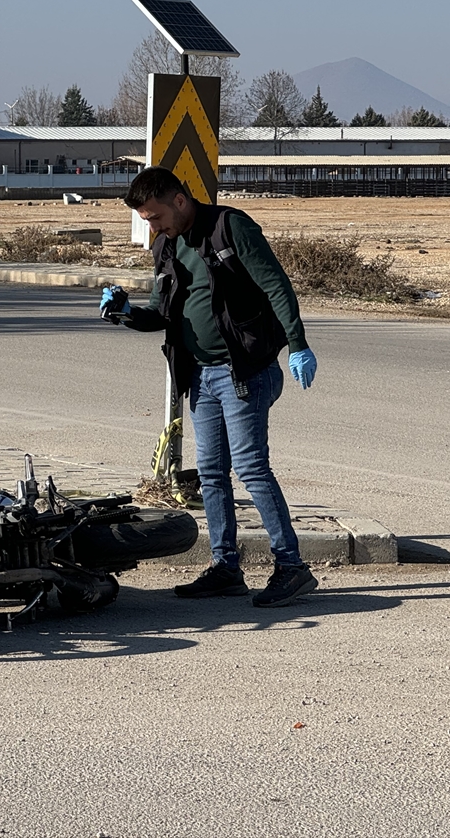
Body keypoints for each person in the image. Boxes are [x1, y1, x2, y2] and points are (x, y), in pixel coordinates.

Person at [101, 166, 319, 608]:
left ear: (179, 200)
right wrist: (125, 312)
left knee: (252, 469)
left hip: (244, 373)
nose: (152, 226)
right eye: (146, 220)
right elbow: (161, 315)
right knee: (213, 475)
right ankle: (225, 568)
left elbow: (276, 285)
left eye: (155, 217)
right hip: (199, 376)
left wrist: (298, 344)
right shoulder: (165, 246)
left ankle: (292, 567)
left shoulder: (229, 227)